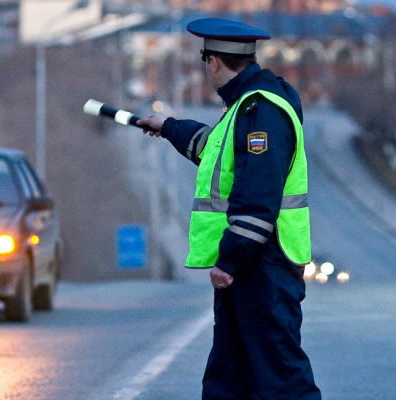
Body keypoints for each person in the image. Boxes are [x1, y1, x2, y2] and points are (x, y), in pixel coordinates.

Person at [137, 18, 321, 400]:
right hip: (252, 267)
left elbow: (258, 198)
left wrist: (229, 260)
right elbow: (212, 150)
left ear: (214, 62)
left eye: (204, 60)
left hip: (263, 265)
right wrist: (168, 126)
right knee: (231, 378)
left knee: (281, 379)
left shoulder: (262, 111)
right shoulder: (244, 107)